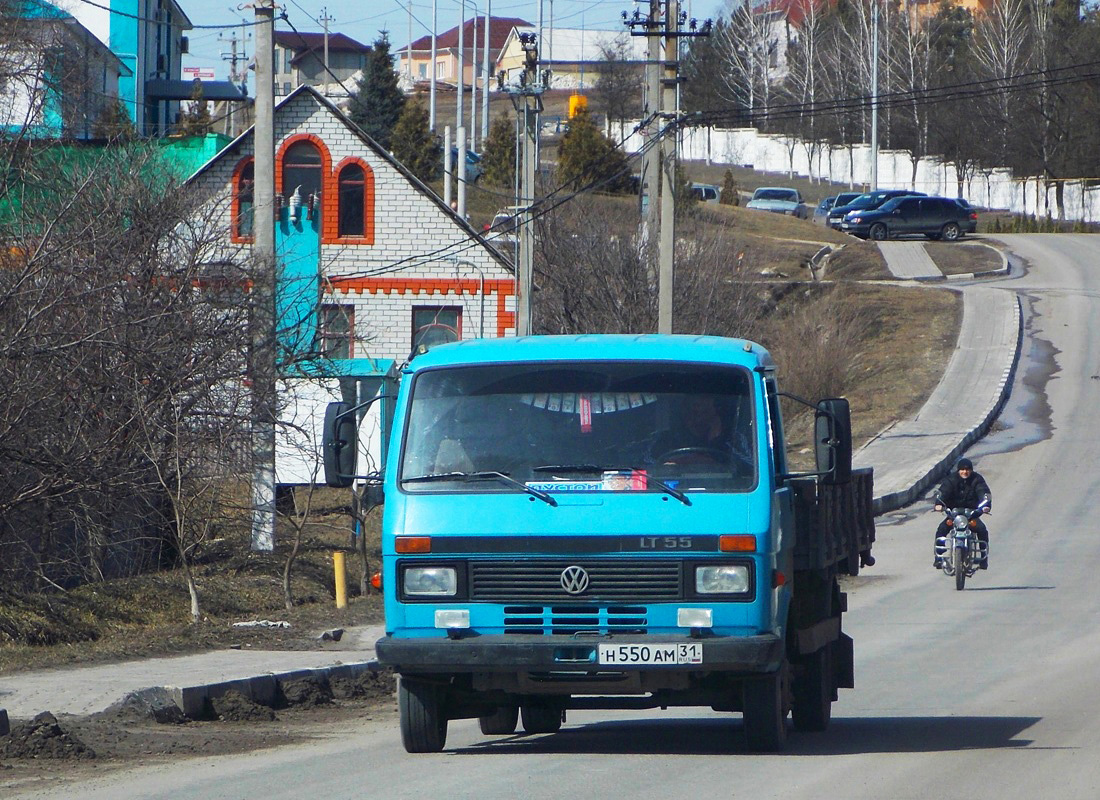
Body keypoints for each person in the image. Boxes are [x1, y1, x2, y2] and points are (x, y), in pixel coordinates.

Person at [932, 457, 991, 569]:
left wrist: (986, 506)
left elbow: (983, 492)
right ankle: (938, 558)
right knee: (941, 529)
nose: (965, 472)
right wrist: (938, 504)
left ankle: (984, 559)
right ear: (958, 470)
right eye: (962, 470)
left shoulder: (977, 479)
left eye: (968, 469)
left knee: (982, 530)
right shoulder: (951, 480)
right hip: (953, 514)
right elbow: (943, 492)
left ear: (971, 470)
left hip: (971, 515)